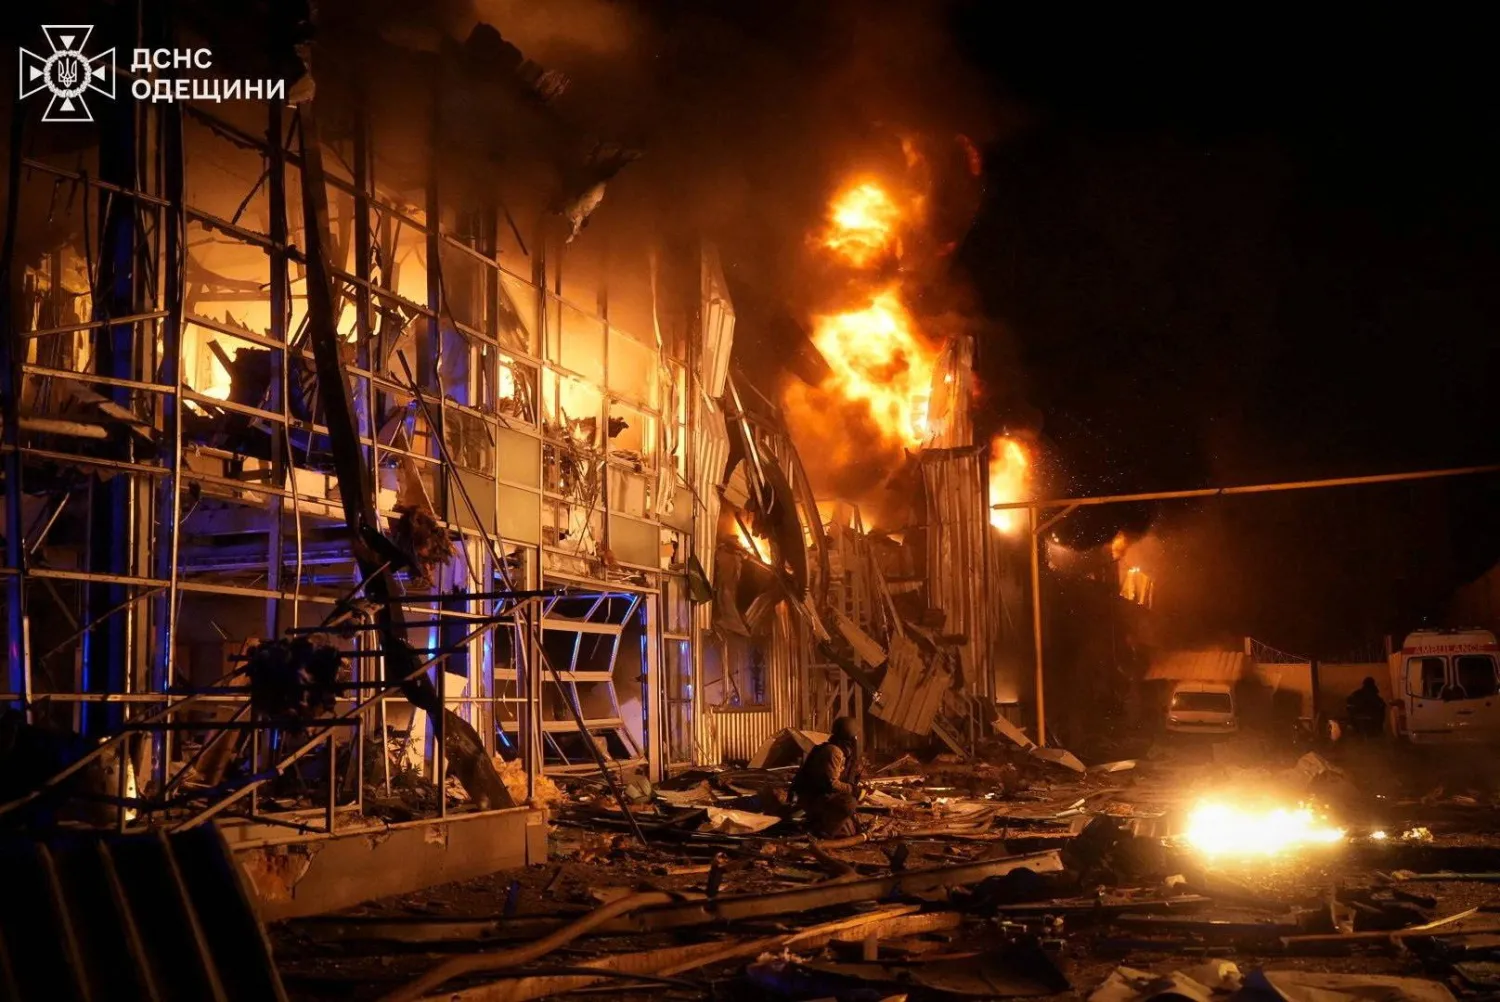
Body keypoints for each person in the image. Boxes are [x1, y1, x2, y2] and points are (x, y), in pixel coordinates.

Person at [789, 716, 863, 838]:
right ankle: (822, 833)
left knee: (850, 831)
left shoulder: (837, 750)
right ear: (849, 736)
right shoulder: (833, 751)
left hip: (819, 797)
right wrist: (853, 790)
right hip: (812, 799)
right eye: (855, 735)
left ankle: (819, 824)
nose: (856, 739)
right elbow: (832, 784)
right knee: (848, 803)